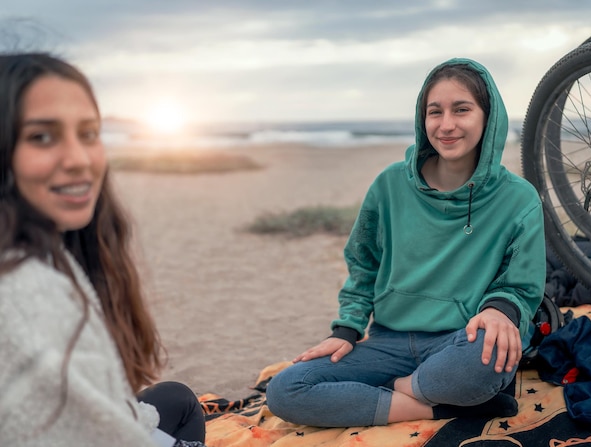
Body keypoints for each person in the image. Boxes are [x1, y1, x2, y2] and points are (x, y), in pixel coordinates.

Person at [265, 58, 546, 427]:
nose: (446, 125)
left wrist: (500, 309)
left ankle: (392, 390)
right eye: (435, 112)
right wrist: (347, 329)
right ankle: (440, 403)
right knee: (285, 389)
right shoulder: (389, 185)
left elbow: (521, 284)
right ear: (422, 118)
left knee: (487, 358)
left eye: (461, 110)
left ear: (488, 117)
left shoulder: (518, 198)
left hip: (462, 341)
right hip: (389, 342)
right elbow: (363, 262)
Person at [0, 53, 206, 446]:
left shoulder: (47, 252)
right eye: (42, 136)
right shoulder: (25, 288)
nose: (79, 159)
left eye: (89, 133)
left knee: (176, 397)